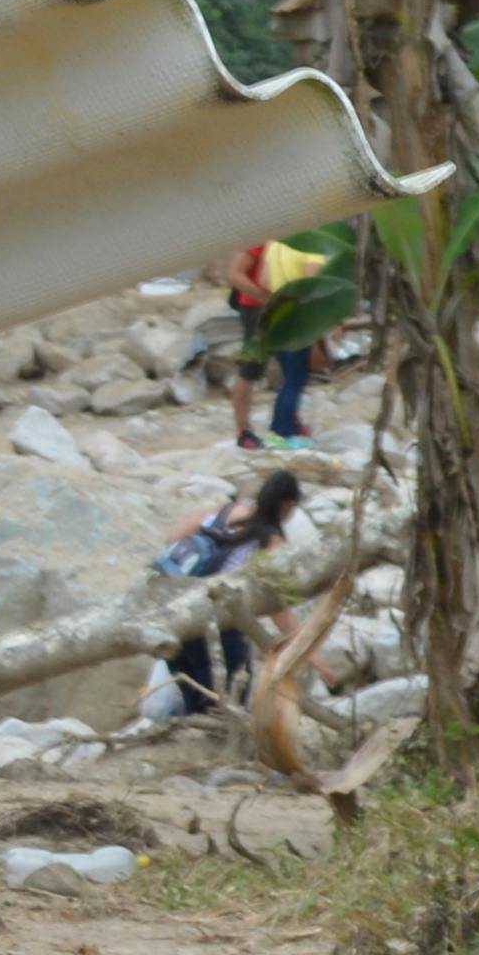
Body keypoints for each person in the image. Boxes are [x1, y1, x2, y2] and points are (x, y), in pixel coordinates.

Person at [142, 465, 308, 724]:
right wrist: (304, 646)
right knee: (226, 705)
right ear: (287, 505)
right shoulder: (273, 543)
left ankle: (190, 735)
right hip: (217, 626)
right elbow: (278, 608)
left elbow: (173, 539)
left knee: (192, 696)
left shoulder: (222, 512)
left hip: (176, 614)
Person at [220, 237, 322, 450]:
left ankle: (290, 421)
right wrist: (265, 299)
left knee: (291, 368)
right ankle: (243, 430)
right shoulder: (261, 240)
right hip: (256, 308)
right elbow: (235, 274)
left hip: (275, 306)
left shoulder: (280, 239)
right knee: (251, 369)